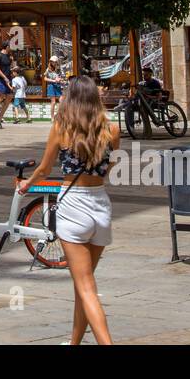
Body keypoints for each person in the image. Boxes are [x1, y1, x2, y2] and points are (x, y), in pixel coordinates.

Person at [19, 76, 120, 345]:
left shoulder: (61, 127)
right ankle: (74, 342)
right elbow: (109, 166)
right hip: (100, 204)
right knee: (84, 284)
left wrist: (26, 185)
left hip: (73, 205)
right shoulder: (112, 129)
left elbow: (43, 169)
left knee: (86, 286)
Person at [0, 40, 14, 123]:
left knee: (10, 97)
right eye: (10, 46)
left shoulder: (9, 56)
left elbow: (10, 68)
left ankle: (0, 116)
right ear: (7, 47)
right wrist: (4, 77)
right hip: (0, 79)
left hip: (8, 79)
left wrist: (12, 63)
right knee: (1, 97)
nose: (11, 48)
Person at [44, 56, 65, 120]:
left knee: (61, 100)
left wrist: (60, 79)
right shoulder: (48, 69)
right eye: (52, 61)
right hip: (51, 86)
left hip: (58, 85)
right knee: (53, 102)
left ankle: (58, 115)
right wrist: (53, 80)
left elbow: (63, 77)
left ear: (56, 62)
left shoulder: (59, 69)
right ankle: (52, 117)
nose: (53, 63)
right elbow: (45, 78)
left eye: (54, 61)